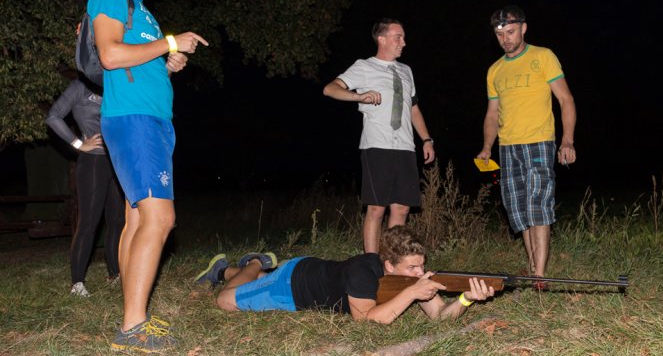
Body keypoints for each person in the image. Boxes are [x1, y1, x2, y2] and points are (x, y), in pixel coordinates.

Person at [90, 0, 208, 352]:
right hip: (134, 120)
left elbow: (138, 60)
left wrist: (166, 62)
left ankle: (132, 314)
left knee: (138, 219)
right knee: (161, 219)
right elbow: (110, 55)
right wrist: (170, 42)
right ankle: (133, 326)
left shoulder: (144, 12)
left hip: (152, 121)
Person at [195, 226, 495, 324]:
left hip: (313, 274)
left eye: (421, 265)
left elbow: (440, 316)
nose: (420, 273)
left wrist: (466, 299)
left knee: (257, 285)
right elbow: (367, 320)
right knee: (224, 301)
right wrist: (411, 293)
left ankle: (238, 271)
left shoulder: (406, 280)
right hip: (293, 283)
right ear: (389, 265)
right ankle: (252, 263)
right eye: (412, 268)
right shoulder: (362, 273)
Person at [477, 5, 577, 282]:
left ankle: (540, 276)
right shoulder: (495, 70)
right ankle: (533, 266)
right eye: (500, 35)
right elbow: (492, 114)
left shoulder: (543, 56)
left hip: (539, 141)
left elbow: (565, 99)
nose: (505, 39)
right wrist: (487, 146)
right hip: (508, 147)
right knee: (519, 208)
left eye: (510, 32)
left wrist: (567, 140)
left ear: (523, 28)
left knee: (538, 204)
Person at [323, 19, 435, 254]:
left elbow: (413, 109)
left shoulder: (406, 71)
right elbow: (330, 89)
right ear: (381, 39)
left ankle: (392, 260)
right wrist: (358, 97)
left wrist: (426, 139)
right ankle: (371, 263)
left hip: (405, 146)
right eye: (398, 37)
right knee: (376, 209)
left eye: (403, 37)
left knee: (402, 208)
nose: (403, 42)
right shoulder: (364, 67)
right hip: (377, 146)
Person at [46, 78, 125, 297]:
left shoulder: (115, 82)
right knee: (89, 223)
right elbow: (53, 117)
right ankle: (77, 283)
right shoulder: (80, 86)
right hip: (93, 162)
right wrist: (79, 144)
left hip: (118, 160)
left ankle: (115, 274)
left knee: (117, 221)